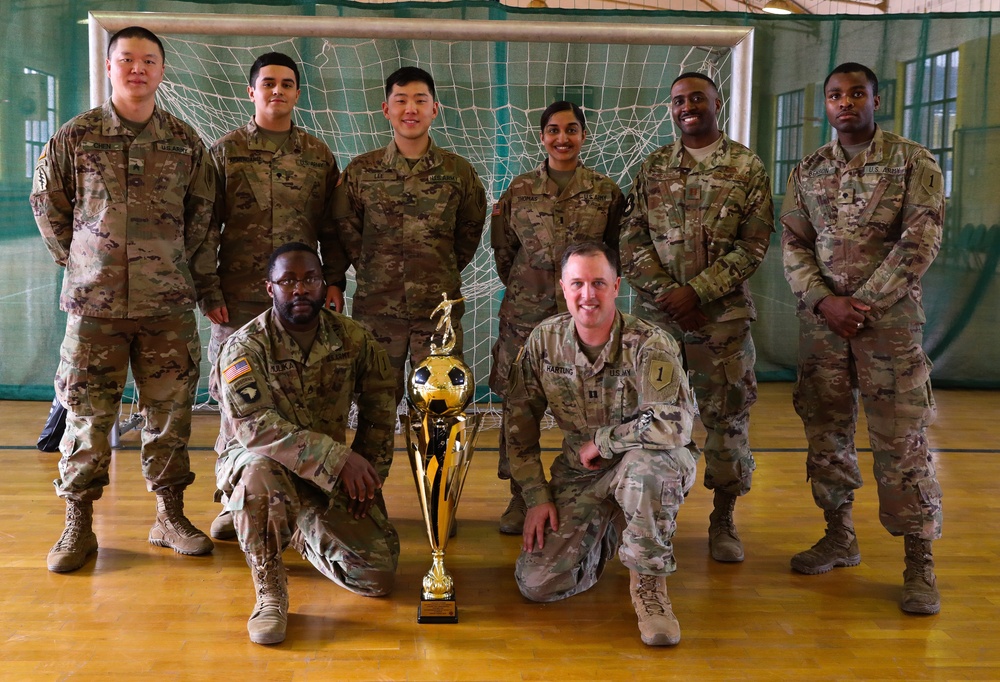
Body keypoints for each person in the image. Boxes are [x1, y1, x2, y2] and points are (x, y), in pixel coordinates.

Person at [29, 26, 216, 573]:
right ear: (110, 67)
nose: (138, 69)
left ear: (161, 70)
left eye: (149, 60)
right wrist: (85, 261)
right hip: (94, 309)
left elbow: (202, 217)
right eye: (127, 59)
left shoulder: (185, 142)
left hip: (166, 307)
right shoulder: (75, 136)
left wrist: (171, 265)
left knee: (171, 416)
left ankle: (170, 516)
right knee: (87, 416)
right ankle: (78, 525)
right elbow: (49, 206)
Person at [780, 62, 944, 615]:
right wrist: (826, 302)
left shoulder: (913, 162)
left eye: (855, 94)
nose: (844, 103)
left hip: (890, 329)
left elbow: (919, 241)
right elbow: (794, 243)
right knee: (826, 433)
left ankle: (919, 562)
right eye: (834, 95)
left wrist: (863, 304)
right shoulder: (808, 170)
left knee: (902, 442)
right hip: (822, 326)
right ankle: (838, 535)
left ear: (877, 99)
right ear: (825, 105)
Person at [505, 242, 698, 646]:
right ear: (563, 287)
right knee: (537, 584)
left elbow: (674, 425)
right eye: (577, 284)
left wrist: (606, 441)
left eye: (598, 283)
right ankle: (609, 531)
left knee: (649, 468)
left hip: (644, 462)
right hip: (582, 473)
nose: (587, 295)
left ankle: (650, 588)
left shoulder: (651, 343)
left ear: (616, 286)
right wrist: (536, 496)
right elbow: (518, 428)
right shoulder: (545, 342)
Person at [620, 72, 773, 563]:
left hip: (720, 324)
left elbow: (754, 244)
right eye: (679, 101)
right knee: (649, 419)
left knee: (726, 424)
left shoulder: (746, 168)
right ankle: (647, 520)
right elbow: (631, 238)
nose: (688, 106)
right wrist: (668, 294)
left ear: (717, 103)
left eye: (698, 99)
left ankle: (723, 519)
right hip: (657, 323)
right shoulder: (654, 166)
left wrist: (697, 292)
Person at [215, 242, 398, 645]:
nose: (300, 289)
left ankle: (293, 522)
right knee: (259, 471)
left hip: (324, 474)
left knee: (376, 576)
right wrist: (339, 458)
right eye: (288, 281)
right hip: (257, 461)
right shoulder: (245, 347)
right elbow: (255, 428)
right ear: (271, 289)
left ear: (324, 284)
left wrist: (369, 476)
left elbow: (382, 407)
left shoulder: (354, 338)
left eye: (310, 279)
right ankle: (269, 589)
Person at [202, 52, 342, 541]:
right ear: (251, 92)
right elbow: (205, 225)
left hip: (300, 299)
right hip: (238, 298)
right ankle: (232, 496)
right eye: (267, 84)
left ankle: (305, 492)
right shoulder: (224, 152)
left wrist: (336, 281)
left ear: (298, 93)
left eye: (286, 83)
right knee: (233, 401)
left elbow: (332, 226)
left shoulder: (318, 155)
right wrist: (208, 288)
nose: (277, 91)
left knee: (301, 391)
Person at [489, 100, 625, 535]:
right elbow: (504, 250)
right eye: (552, 130)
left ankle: (592, 488)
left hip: (585, 321)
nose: (561, 138)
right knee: (518, 408)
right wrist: (531, 286)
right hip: (524, 318)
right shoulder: (521, 189)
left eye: (571, 130)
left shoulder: (606, 193)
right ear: (542, 137)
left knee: (593, 404)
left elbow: (614, 255)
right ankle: (520, 496)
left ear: (584, 136)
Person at [330, 66, 487, 408]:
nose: (410, 109)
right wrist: (375, 267)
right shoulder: (361, 172)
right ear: (386, 109)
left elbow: (469, 231)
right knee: (375, 409)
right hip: (377, 309)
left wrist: (437, 268)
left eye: (420, 100)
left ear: (435, 108)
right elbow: (346, 230)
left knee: (440, 410)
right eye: (401, 100)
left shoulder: (459, 173)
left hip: (437, 311)